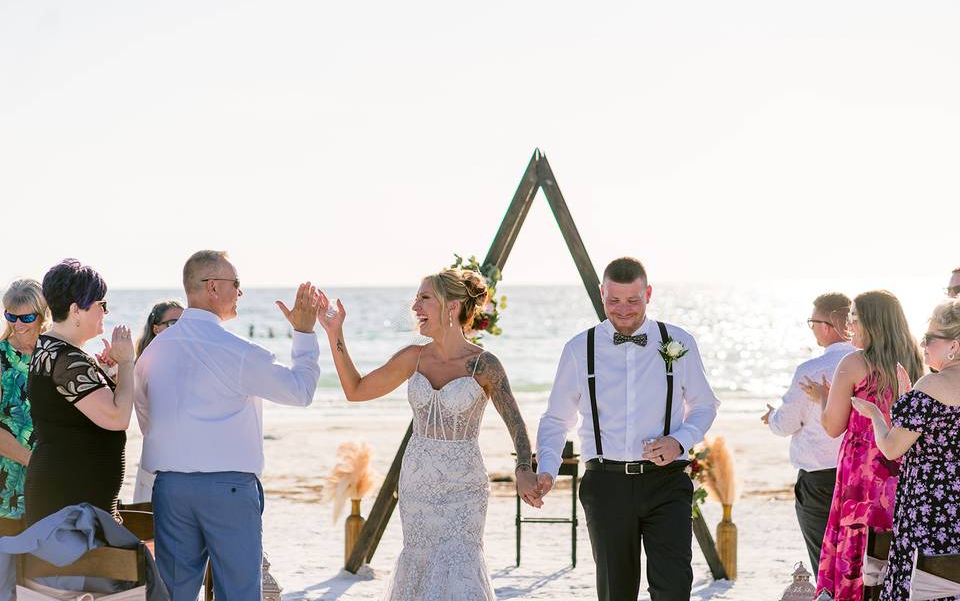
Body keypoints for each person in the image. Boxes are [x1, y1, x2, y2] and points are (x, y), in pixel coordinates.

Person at [316, 268, 539, 601]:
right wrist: (336, 332)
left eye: (424, 298)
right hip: (418, 482)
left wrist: (523, 469)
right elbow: (356, 389)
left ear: (451, 306)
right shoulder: (413, 357)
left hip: (465, 485)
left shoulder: (484, 364)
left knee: (461, 565)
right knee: (419, 562)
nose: (415, 306)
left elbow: (517, 424)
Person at [136, 250, 322, 600]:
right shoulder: (239, 351)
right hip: (229, 490)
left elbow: (145, 414)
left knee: (172, 593)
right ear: (212, 287)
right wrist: (304, 333)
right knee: (238, 592)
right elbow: (301, 391)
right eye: (236, 284)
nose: (240, 293)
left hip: (171, 488)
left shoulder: (154, 351)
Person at [536, 257, 720, 601]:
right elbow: (556, 420)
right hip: (606, 485)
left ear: (648, 294)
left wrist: (679, 442)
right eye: (614, 300)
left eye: (633, 300)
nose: (623, 310)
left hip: (667, 482)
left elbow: (705, 405)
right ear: (601, 293)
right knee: (615, 592)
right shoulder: (580, 349)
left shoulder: (678, 342)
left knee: (674, 587)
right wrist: (547, 470)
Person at [800, 290, 924, 601]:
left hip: (862, 471)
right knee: (891, 548)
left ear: (872, 322)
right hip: (903, 467)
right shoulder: (914, 361)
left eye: (855, 318)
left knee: (859, 545)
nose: (849, 325)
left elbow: (832, 426)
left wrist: (822, 398)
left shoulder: (854, 362)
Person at [851, 299, 960, 601]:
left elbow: (891, 448)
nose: (923, 344)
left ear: (955, 345)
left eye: (931, 338)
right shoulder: (926, 390)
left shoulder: (931, 385)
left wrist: (875, 414)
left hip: (929, 507)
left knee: (919, 585)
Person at [24, 259, 135, 525]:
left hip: (68, 496)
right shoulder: (68, 360)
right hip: (70, 503)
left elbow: (70, 414)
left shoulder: (52, 349)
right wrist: (128, 362)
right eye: (101, 305)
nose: (105, 313)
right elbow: (117, 418)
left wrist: (107, 377)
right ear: (76, 310)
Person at [761, 292, 855, 573]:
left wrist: (772, 416)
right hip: (859, 475)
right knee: (859, 562)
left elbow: (785, 424)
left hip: (819, 481)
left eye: (812, 322)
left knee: (824, 562)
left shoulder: (811, 369)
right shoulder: (868, 363)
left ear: (825, 326)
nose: (812, 328)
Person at [0, 280, 48, 520]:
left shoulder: (55, 354)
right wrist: (35, 464)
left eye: (26, 318)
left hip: (50, 473)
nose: (17, 324)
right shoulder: (1, 357)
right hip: (7, 473)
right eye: (10, 315)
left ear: (42, 315)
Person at [130, 300, 183, 503]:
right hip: (159, 452)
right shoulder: (145, 365)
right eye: (172, 323)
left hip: (190, 454)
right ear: (156, 329)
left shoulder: (192, 362)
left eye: (184, 323)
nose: (180, 329)